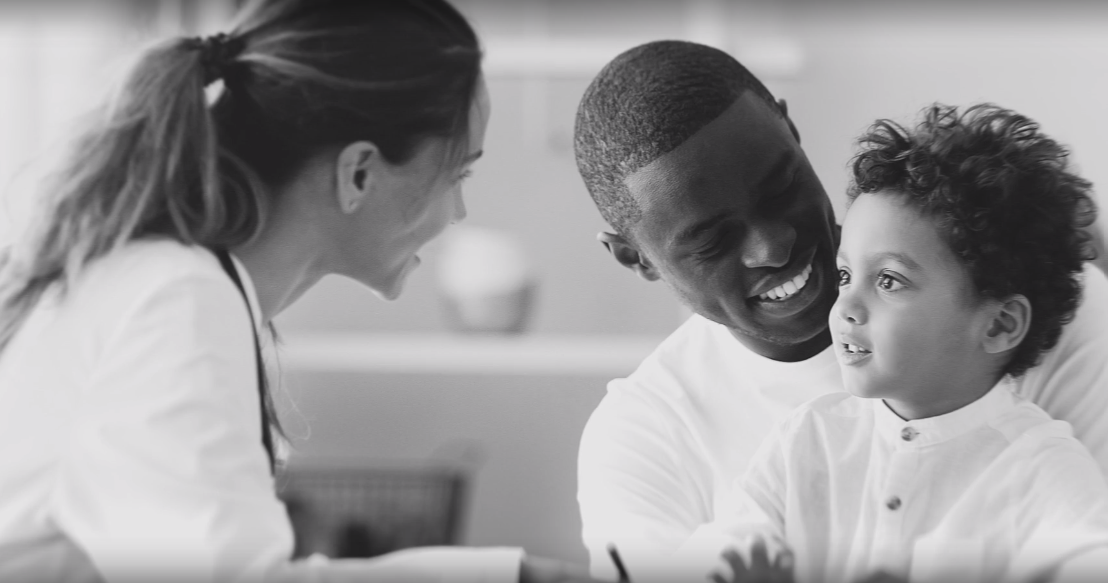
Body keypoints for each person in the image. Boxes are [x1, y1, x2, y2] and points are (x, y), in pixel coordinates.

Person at [0, 1, 598, 582]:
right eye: (457, 174)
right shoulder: (175, 299)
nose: (460, 211)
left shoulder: (174, 282)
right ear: (358, 172)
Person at [572, 39, 1108, 580]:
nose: (773, 247)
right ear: (635, 258)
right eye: (712, 241)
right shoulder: (657, 436)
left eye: (779, 189)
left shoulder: (1042, 309)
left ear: (791, 132)